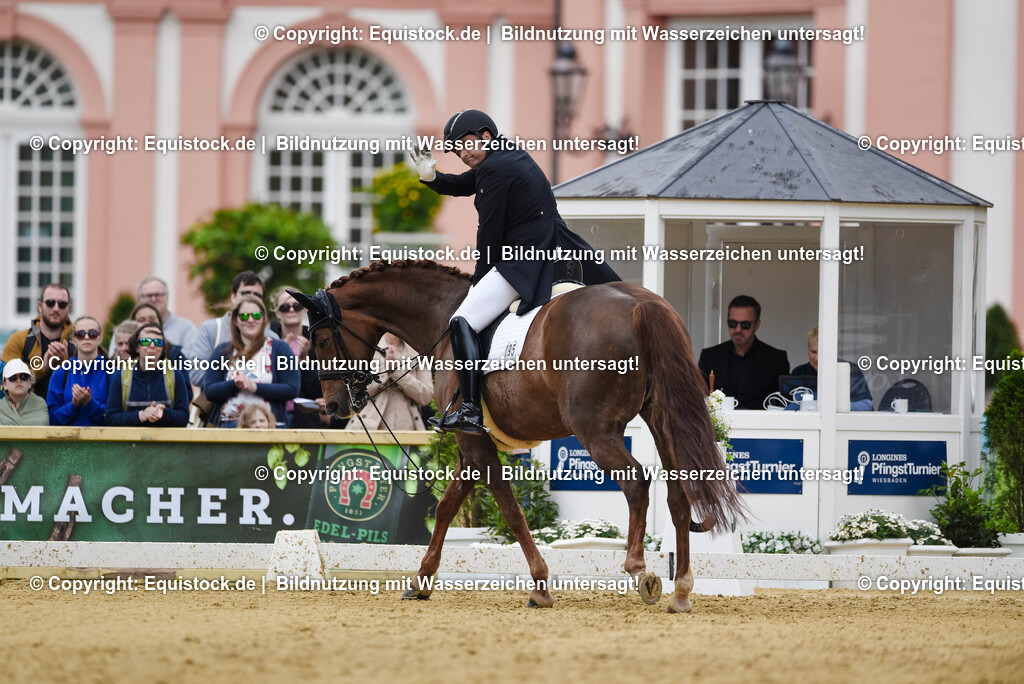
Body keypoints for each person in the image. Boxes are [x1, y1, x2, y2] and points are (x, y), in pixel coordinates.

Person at [410, 109, 620, 432]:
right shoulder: (503, 156)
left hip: (524, 257)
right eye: (456, 150)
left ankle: (469, 409)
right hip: (547, 245)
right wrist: (431, 178)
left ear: (485, 136)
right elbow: (465, 184)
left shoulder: (495, 168)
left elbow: (489, 236)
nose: (462, 154)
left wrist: (478, 282)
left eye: (466, 145)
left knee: (462, 320)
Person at [204, 295, 299, 428]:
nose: (250, 320)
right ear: (235, 321)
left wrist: (254, 386)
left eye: (256, 315)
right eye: (243, 316)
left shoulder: (279, 348)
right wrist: (235, 384)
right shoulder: (223, 351)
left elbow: (292, 388)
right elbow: (210, 391)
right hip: (230, 426)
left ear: (263, 318)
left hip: (269, 426)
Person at [184, 271, 278, 389]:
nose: (251, 298)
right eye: (246, 293)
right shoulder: (211, 329)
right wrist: (236, 382)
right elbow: (196, 374)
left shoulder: (271, 338)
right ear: (233, 296)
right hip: (220, 404)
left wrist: (253, 385)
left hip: (262, 405)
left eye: (257, 295)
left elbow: (281, 379)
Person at [698, 295, 789, 410]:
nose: (738, 329)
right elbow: (699, 397)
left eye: (745, 325)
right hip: (719, 425)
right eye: (732, 323)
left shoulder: (776, 359)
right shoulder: (710, 357)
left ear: (757, 325)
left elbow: (783, 404)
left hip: (762, 425)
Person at [105, 323, 190, 427]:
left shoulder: (175, 376)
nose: (152, 345)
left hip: (166, 442)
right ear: (136, 347)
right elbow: (110, 418)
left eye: (158, 342)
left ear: (163, 348)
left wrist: (163, 414)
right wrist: (140, 416)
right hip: (130, 442)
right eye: (146, 341)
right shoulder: (122, 376)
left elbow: (184, 417)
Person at [2, 283, 75, 398]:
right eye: (50, 303)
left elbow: (90, 384)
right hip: (25, 414)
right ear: (40, 306)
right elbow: (5, 386)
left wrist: (64, 365)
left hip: (65, 414)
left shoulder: (79, 342)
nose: (56, 308)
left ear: (68, 308)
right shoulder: (18, 341)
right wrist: (44, 366)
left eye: (62, 304)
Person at [354, 333, 433, 430]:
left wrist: (397, 372)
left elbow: (426, 397)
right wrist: (385, 371)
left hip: (407, 431)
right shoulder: (366, 346)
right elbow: (355, 393)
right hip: (366, 429)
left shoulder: (419, 351)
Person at [788, 325, 873, 411]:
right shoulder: (798, 373)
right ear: (808, 349)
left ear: (837, 349)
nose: (817, 358)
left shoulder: (850, 370)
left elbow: (866, 405)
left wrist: (830, 407)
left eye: (823, 352)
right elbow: (785, 405)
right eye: (814, 352)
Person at [47, 316, 111, 426]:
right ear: (74, 340)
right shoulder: (61, 373)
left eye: (92, 334)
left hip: (102, 442)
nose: (86, 337)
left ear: (99, 339)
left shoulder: (112, 373)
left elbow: (113, 419)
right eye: (80, 334)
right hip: (67, 442)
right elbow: (51, 419)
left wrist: (90, 403)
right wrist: (73, 405)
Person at [137, 276, 196, 348]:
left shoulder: (186, 329)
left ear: (167, 297)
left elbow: (189, 358)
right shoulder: (129, 329)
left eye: (157, 295)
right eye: (149, 295)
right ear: (139, 299)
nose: (153, 299)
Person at [0, 359, 49, 426]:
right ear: (5, 384)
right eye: (13, 377)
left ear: (30, 382)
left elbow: (41, 424)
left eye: (23, 377)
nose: (19, 381)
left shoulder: (40, 403)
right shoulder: (1, 406)